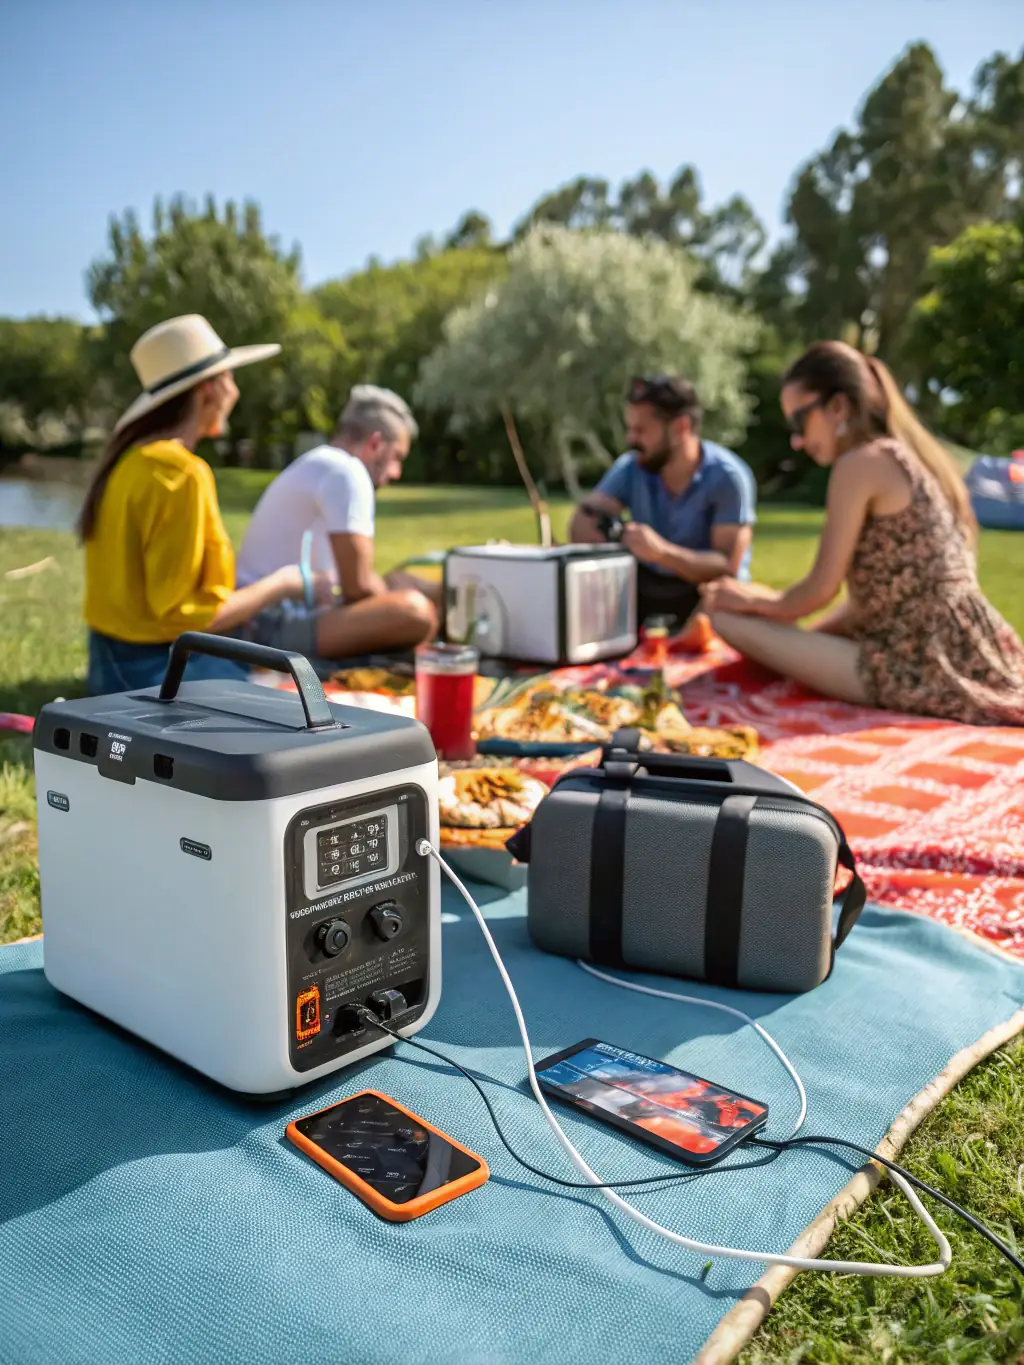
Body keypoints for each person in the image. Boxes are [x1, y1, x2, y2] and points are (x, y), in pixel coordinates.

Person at [701, 341, 1024, 725]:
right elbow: (870, 603)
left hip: (914, 664)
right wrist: (799, 637)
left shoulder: (861, 462)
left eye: (799, 422)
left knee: (723, 612)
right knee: (743, 603)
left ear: (838, 406)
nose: (797, 441)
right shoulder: (906, 456)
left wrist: (755, 606)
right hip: (960, 648)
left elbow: (819, 589)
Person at [79, 314, 336, 696]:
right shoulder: (181, 472)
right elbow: (180, 619)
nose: (235, 391)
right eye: (230, 378)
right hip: (151, 675)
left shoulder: (131, 460)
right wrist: (285, 583)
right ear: (209, 391)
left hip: (107, 664)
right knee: (303, 694)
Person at [235, 385, 438, 658]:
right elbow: (359, 588)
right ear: (375, 444)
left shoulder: (324, 463)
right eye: (396, 457)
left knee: (406, 585)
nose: (396, 472)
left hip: (266, 614)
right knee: (416, 612)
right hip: (267, 625)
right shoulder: (347, 471)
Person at [568, 375, 757, 627]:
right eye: (630, 428)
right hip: (649, 588)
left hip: (708, 597)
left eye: (641, 430)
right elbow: (582, 523)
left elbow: (725, 565)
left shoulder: (727, 477)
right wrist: (613, 532)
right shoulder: (632, 467)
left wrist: (661, 553)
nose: (631, 439)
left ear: (680, 427)